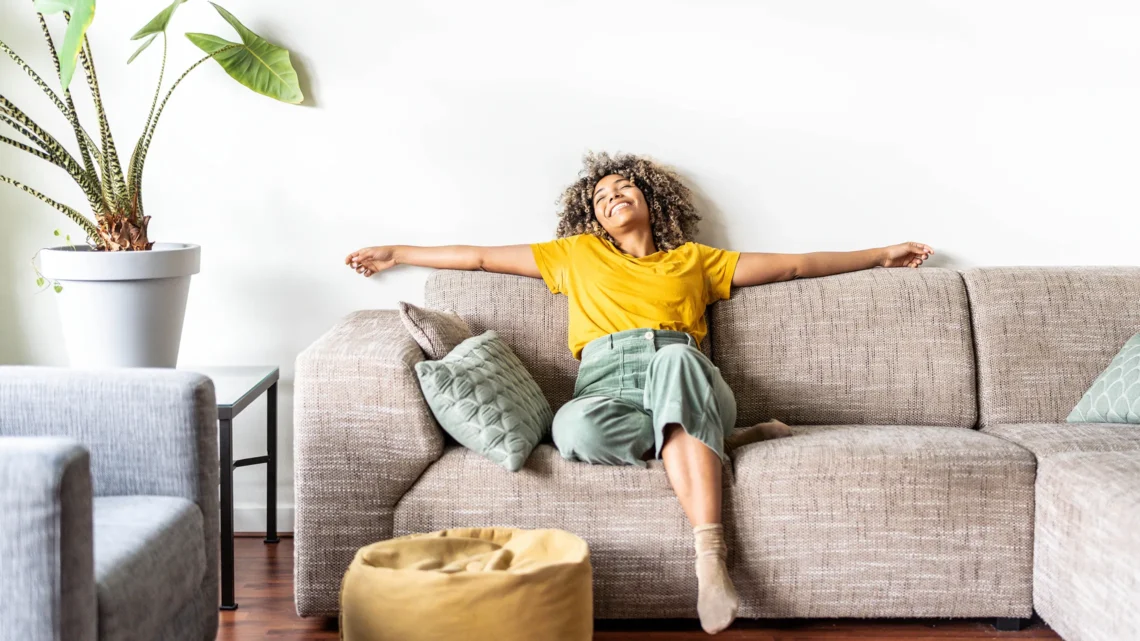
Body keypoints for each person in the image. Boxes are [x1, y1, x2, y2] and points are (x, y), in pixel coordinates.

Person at [345, 151, 933, 635]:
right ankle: (724, 438)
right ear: (593, 218)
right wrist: (397, 252)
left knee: (677, 356)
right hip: (604, 381)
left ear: (651, 202)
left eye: (624, 187)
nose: (613, 196)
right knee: (571, 430)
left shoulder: (694, 261)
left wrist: (880, 255)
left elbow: (795, 267)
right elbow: (475, 257)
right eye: (601, 197)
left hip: (678, 365)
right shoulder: (574, 256)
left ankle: (709, 557)